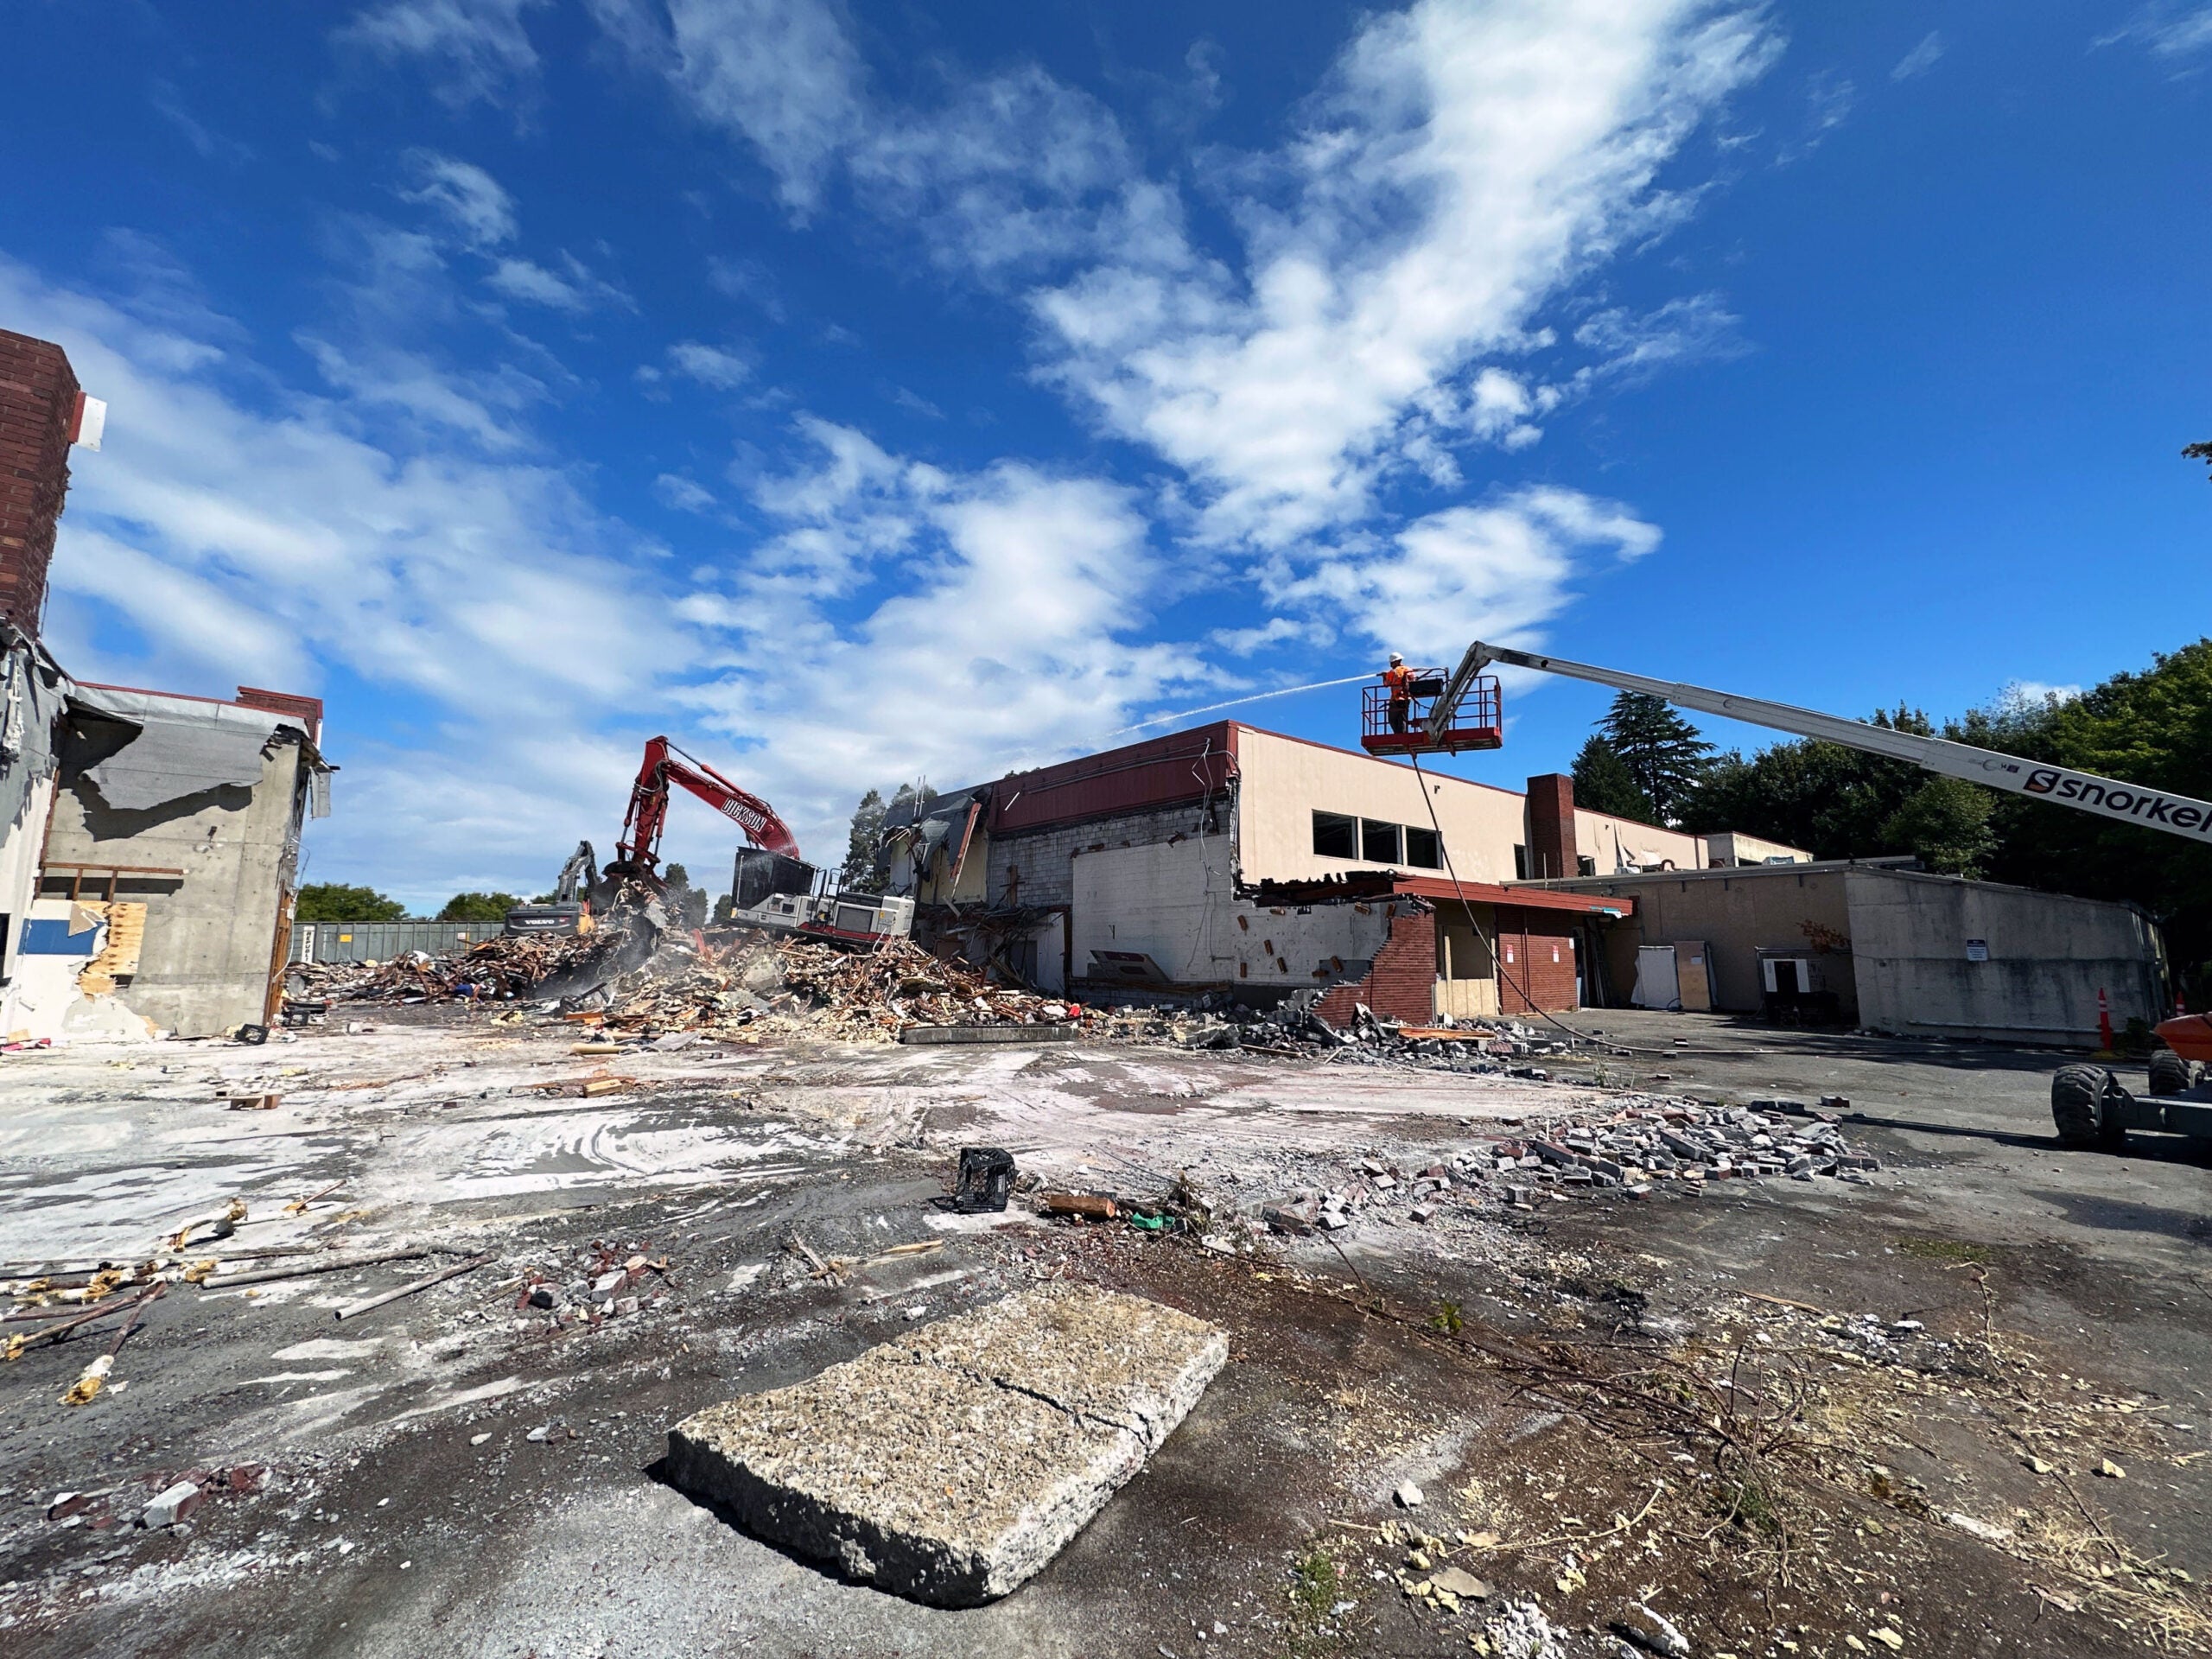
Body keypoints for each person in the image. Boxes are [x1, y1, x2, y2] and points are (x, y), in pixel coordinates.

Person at [1382, 651, 1416, 734]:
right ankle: (1402, 733)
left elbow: (1386, 684)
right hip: (1407, 698)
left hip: (1397, 698)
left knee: (1392, 719)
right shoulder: (1409, 670)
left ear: (1396, 662)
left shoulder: (1394, 672)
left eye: (1391, 663)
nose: (1391, 665)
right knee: (1402, 718)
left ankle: (1399, 735)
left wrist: (1384, 676)